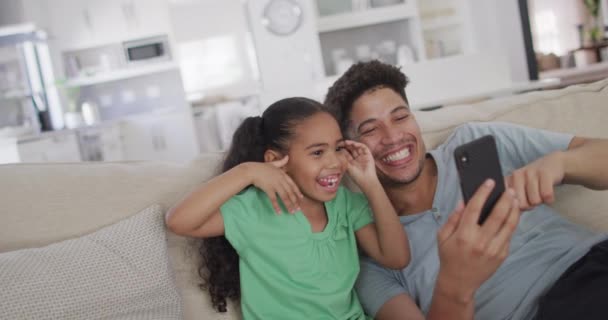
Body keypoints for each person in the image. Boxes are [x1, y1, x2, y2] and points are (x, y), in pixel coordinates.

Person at [324, 60, 608, 320]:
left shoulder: (473, 142)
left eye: (400, 117)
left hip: (594, 260)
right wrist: (455, 285)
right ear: (348, 150)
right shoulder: (377, 258)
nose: (393, 137)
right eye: (370, 130)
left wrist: (562, 162)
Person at [165, 97, 412, 319]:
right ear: (276, 162)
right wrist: (247, 171)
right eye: (317, 152)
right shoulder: (254, 209)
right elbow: (179, 221)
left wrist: (371, 184)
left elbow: (396, 257)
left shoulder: (345, 204)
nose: (334, 162)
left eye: (338, 148)